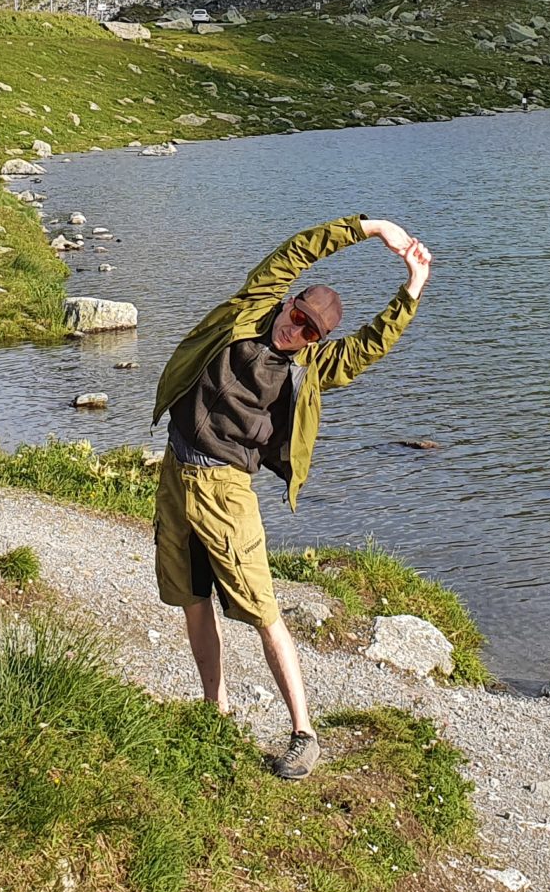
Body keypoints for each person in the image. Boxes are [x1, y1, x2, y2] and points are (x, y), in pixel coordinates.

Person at [150, 215, 433, 780]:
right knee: (189, 596)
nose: (295, 331)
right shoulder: (249, 309)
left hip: (226, 489)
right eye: (296, 316)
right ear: (286, 302)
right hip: (177, 469)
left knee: (262, 609)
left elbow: (371, 345)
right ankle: (215, 708)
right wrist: (370, 228)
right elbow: (298, 250)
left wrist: (412, 289)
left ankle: (304, 732)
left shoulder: (312, 366)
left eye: (310, 331)